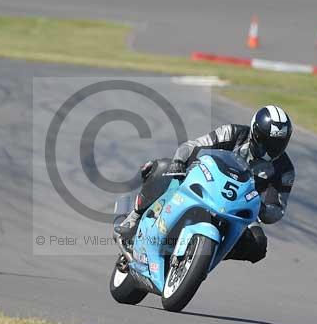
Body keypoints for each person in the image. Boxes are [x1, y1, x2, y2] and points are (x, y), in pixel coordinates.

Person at [115, 105, 295, 264]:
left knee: (258, 244)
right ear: (255, 134)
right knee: (163, 168)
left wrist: (261, 207)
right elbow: (193, 145)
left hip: (237, 206)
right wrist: (179, 161)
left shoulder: (284, 170)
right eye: (267, 142)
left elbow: (277, 208)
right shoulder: (233, 133)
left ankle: (205, 254)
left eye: (278, 144)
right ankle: (134, 217)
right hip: (207, 182)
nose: (271, 149)